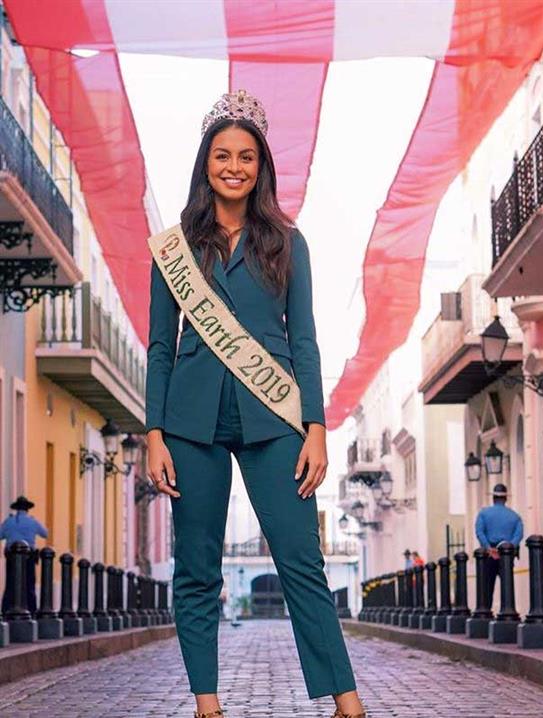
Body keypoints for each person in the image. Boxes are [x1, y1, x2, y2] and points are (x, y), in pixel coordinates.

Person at [145, 90, 366, 718]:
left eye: (246, 156)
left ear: (261, 165)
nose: (234, 166)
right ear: (206, 163)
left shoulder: (288, 243)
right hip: (190, 423)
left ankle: (348, 703)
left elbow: (305, 342)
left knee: (301, 560)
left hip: (276, 419)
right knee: (197, 566)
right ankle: (207, 703)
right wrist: (154, 432)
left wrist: (317, 428)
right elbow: (162, 347)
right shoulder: (174, 248)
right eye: (222, 155)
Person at [475, 484, 523, 611]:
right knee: (507, 586)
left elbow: (479, 532)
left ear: (493, 498)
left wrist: (488, 548)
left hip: (490, 554)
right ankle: (507, 611)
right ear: (506, 499)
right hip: (506, 554)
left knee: (487, 586)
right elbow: (519, 535)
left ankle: (485, 612)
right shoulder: (515, 516)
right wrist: (508, 548)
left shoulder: (483, 514)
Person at [0, 495, 48, 616]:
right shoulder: (32, 521)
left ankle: (6, 610)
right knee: (29, 583)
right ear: (27, 509)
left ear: (16, 509)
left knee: (10, 582)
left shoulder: (9, 521)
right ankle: (31, 610)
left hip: (12, 556)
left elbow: (0, 535)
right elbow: (45, 533)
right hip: (28, 556)